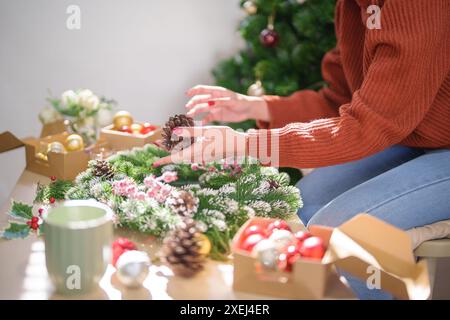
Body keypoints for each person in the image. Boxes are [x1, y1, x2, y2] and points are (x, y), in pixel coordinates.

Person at [154, 0, 450, 299]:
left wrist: (247, 144)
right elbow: (342, 100)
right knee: (301, 204)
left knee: (343, 231)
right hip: (415, 137)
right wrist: (257, 106)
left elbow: (368, 127)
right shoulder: (353, 7)